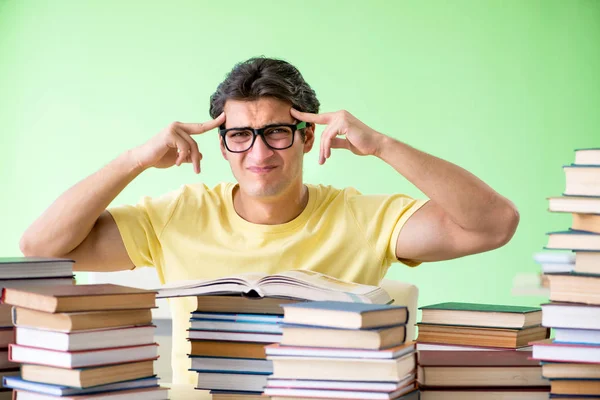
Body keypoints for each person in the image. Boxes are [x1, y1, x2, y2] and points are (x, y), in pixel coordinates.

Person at [19, 57, 520, 384]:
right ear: (222, 145)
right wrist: (133, 160)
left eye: (277, 131)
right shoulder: (175, 214)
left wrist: (383, 146)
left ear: (307, 136)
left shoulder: (362, 215)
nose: (258, 151)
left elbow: (494, 224)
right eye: (240, 135)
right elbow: (43, 248)